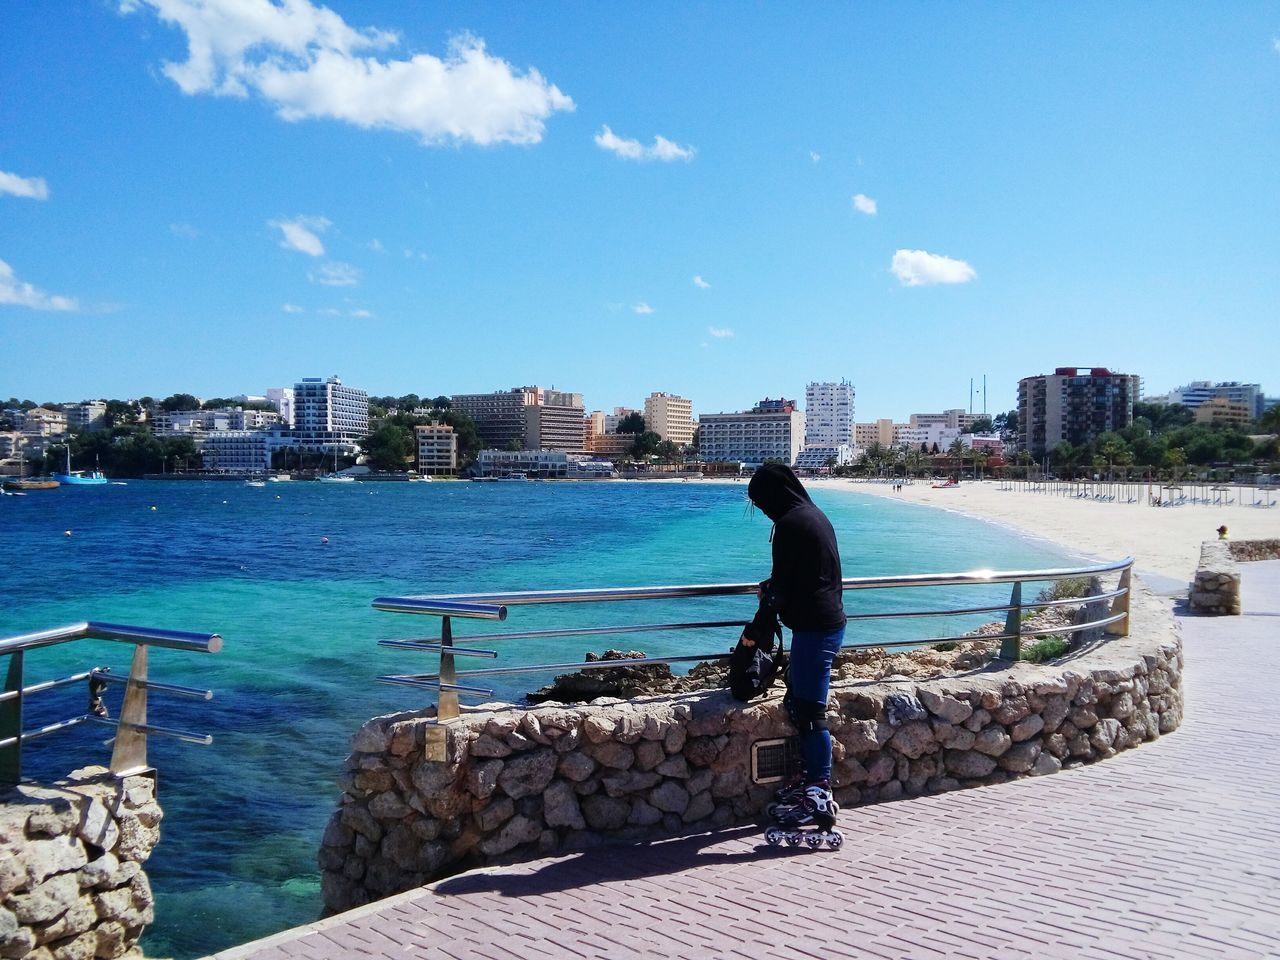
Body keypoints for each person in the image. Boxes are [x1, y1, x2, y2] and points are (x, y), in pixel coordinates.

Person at [747, 463, 847, 832]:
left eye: (760, 502)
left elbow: (783, 589)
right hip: (829, 623)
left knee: (809, 711)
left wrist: (768, 596)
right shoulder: (814, 515)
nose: (761, 510)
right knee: (799, 704)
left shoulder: (790, 525)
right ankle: (810, 782)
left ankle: (819, 793)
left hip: (814, 629)